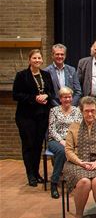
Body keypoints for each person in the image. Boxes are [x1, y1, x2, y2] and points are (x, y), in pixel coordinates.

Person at [12, 49, 54, 186]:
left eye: (39, 58)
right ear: (29, 60)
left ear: (42, 60)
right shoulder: (22, 75)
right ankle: (30, 174)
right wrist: (35, 98)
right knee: (28, 145)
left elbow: (51, 92)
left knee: (38, 145)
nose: (37, 60)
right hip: (26, 117)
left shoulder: (46, 75)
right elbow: (16, 95)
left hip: (42, 116)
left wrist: (46, 96)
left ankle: (36, 173)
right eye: (34, 58)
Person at [47, 87, 82, 198]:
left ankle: (77, 180)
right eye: (64, 97)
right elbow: (52, 129)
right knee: (62, 152)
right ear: (60, 99)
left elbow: (79, 128)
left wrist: (72, 141)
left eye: (69, 97)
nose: (67, 99)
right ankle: (54, 182)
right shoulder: (54, 111)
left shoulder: (77, 110)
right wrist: (61, 141)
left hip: (73, 140)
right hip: (56, 140)